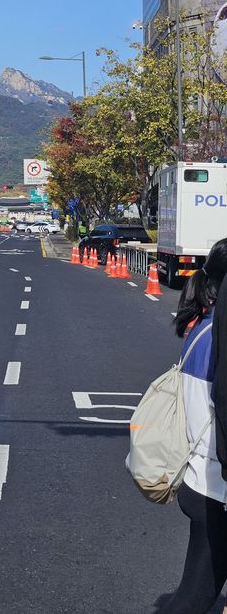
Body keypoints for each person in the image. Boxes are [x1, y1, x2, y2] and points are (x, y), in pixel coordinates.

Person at [159, 238, 227, 614]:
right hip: (216, 486)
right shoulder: (219, 338)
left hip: (200, 479)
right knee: (194, 597)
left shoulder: (202, 327)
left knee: (197, 593)